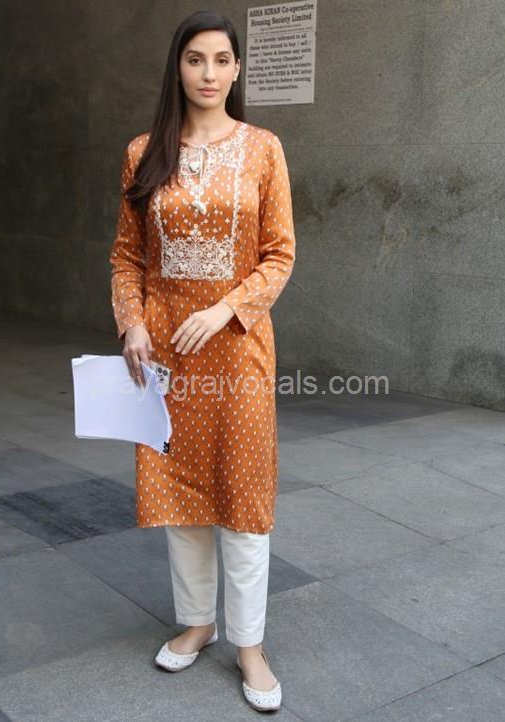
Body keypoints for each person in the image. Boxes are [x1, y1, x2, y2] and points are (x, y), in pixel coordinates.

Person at [109, 9, 296, 713]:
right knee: (181, 495)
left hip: (238, 352)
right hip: (164, 358)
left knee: (243, 498)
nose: (209, 73)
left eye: (221, 60)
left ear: (237, 69)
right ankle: (197, 622)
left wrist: (225, 309)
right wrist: (131, 324)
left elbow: (279, 253)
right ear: (178, 68)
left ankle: (250, 645)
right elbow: (126, 257)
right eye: (195, 60)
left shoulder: (263, 149)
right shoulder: (143, 153)